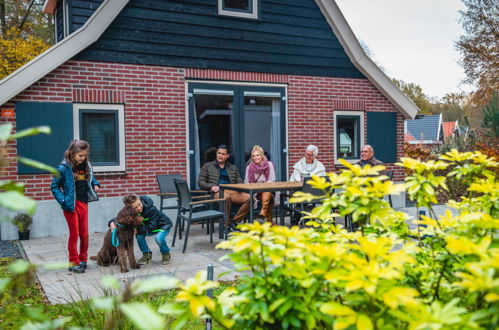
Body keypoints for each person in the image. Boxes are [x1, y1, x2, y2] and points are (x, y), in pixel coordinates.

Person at [51, 139, 100, 273]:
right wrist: (63, 201)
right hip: (71, 205)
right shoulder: (63, 168)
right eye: (80, 155)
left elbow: (90, 177)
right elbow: (54, 187)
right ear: (72, 153)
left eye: (85, 155)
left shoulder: (86, 165)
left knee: (84, 234)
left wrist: (95, 183)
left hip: (84, 202)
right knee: (75, 233)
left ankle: (82, 259)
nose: (83, 158)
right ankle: (73, 262)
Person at [198, 144, 250, 231]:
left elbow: (239, 181)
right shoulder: (207, 166)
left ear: (227, 156)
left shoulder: (232, 167)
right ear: (216, 154)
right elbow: (200, 182)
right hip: (216, 192)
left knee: (249, 198)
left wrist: (238, 187)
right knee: (226, 198)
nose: (220, 156)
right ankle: (225, 226)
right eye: (219, 153)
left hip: (232, 190)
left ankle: (234, 222)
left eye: (223, 154)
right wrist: (211, 186)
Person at [110, 194, 173, 265]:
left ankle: (166, 254)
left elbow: (152, 226)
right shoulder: (130, 210)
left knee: (158, 238)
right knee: (139, 236)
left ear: (140, 200)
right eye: (135, 208)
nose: (139, 208)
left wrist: (137, 228)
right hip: (149, 227)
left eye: (139, 204)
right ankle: (146, 255)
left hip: (163, 225)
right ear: (130, 208)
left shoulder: (150, 209)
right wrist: (112, 222)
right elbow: (121, 216)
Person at [245, 145, 276, 224]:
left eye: (257, 155)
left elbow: (272, 179)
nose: (256, 157)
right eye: (254, 156)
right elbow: (246, 183)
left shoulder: (269, 164)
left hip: (268, 190)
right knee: (268, 197)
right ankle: (269, 221)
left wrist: (263, 186)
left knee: (267, 191)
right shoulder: (249, 167)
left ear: (262, 156)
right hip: (255, 192)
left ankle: (263, 212)